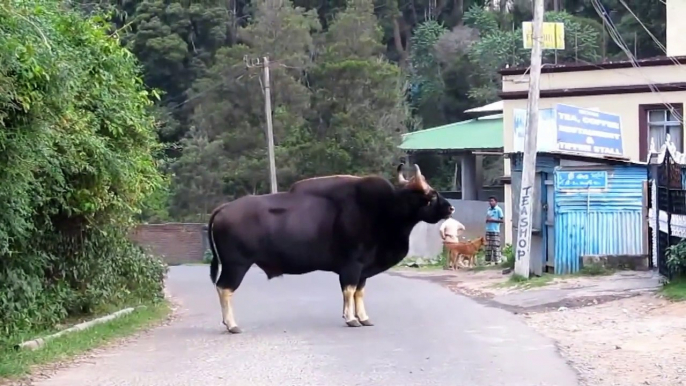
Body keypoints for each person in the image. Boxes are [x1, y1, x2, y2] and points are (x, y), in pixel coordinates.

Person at [485, 196, 504, 265]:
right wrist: (487, 220)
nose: (490, 202)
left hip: (495, 230)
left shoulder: (498, 210)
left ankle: (497, 261)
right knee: (488, 246)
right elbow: (488, 218)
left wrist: (493, 220)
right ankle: (488, 261)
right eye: (490, 201)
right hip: (488, 230)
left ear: (496, 202)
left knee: (495, 246)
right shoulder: (489, 209)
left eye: (492, 201)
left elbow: (502, 220)